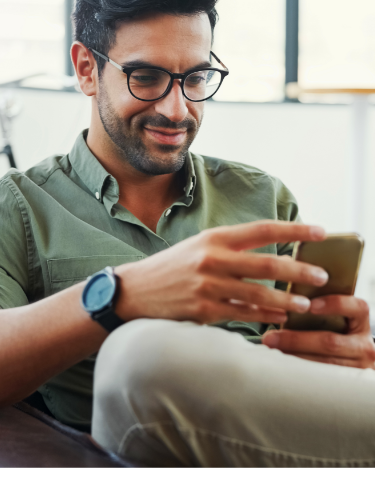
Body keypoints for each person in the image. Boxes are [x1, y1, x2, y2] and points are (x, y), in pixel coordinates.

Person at [0, 0, 374, 468]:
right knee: (140, 353)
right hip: (135, 444)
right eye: (146, 77)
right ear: (86, 69)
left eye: (195, 78)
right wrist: (120, 296)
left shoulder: (263, 198)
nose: (177, 110)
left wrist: (346, 359)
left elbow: (297, 384)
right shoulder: (18, 205)